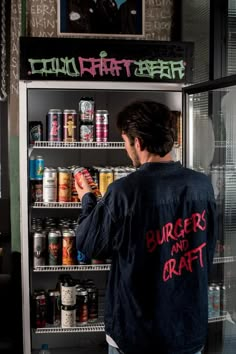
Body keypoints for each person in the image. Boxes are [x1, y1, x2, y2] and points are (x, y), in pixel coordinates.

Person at [75, 100, 217, 354]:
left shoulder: (124, 191)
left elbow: (90, 245)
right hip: (188, 330)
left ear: (137, 143)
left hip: (136, 334)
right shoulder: (202, 185)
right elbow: (207, 250)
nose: (126, 148)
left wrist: (88, 201)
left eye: (126, 142)